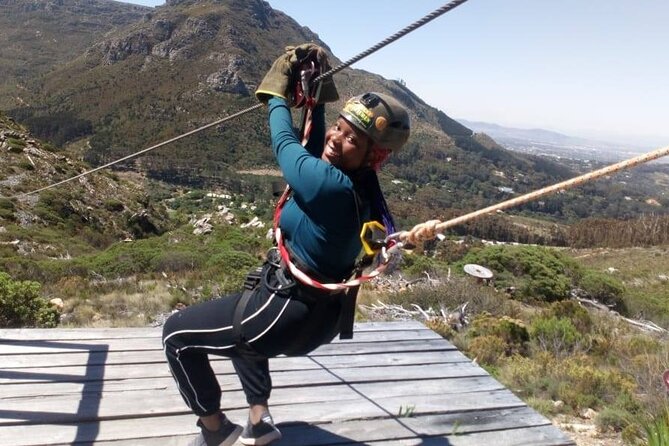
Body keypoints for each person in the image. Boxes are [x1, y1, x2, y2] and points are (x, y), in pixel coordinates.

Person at [162, 43, 410, 446]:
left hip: (283, 311)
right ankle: (259, 420)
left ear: (372, 155)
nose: (337, 138)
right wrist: (318, 100)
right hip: (311, 314)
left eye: (351, 139)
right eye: (340, 127)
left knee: (176, 335)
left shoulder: (330, 186)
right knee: (241, 327)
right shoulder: (359, 186)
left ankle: (214, 430)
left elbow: (287, 148)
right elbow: (316, 147)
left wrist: (276, 94)